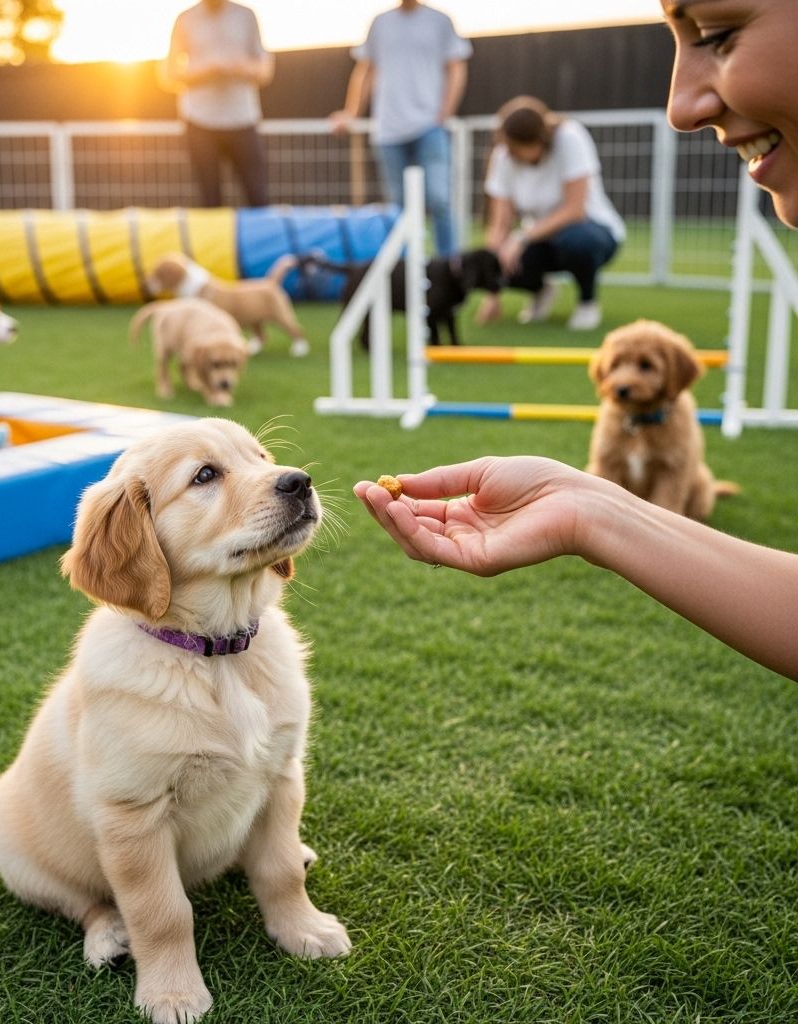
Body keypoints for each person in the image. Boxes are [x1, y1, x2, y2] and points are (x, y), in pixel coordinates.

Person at [354, 0, 798, 684]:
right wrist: (593, 509)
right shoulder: (504, 157)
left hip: (584, 232)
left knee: (567, 240)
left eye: (715, 34)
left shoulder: (572, 144)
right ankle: (538, 291)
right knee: (511, 253)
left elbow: (571, 205)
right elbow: (499, 218)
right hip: (539, 253)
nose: (680, 104)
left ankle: (582, 295)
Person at [329, 0, 472, 256]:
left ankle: (451, 267)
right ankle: (407, 268)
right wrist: (351, 113)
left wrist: (444, 113)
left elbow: (457, 68)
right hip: (388, 132)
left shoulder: (440, 20)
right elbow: (366, 70)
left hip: (430, 128)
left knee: (439, 200)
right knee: (399, 209)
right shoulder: (380, 23)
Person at [475, 96, 626, 331]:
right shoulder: (503, 156)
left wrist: (520, 238)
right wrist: (492, 290)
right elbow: (500, 223)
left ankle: (587, 303)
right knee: (504, 257)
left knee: (576, 240)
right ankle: (541, 290)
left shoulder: (570, 137)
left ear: (538, 141)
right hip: (541, 239)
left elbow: (575, 210)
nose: (509, 153)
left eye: (515, 147)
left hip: (593, 232)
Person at [160, 0, 274, 208]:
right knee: (209, 201)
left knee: (258, 197)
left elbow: (265, 69)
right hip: (199, 121)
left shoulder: (246, 16)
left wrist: (241, 69)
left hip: (243, 119)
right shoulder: (185, 19)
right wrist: (205, 70)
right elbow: (168, 74)